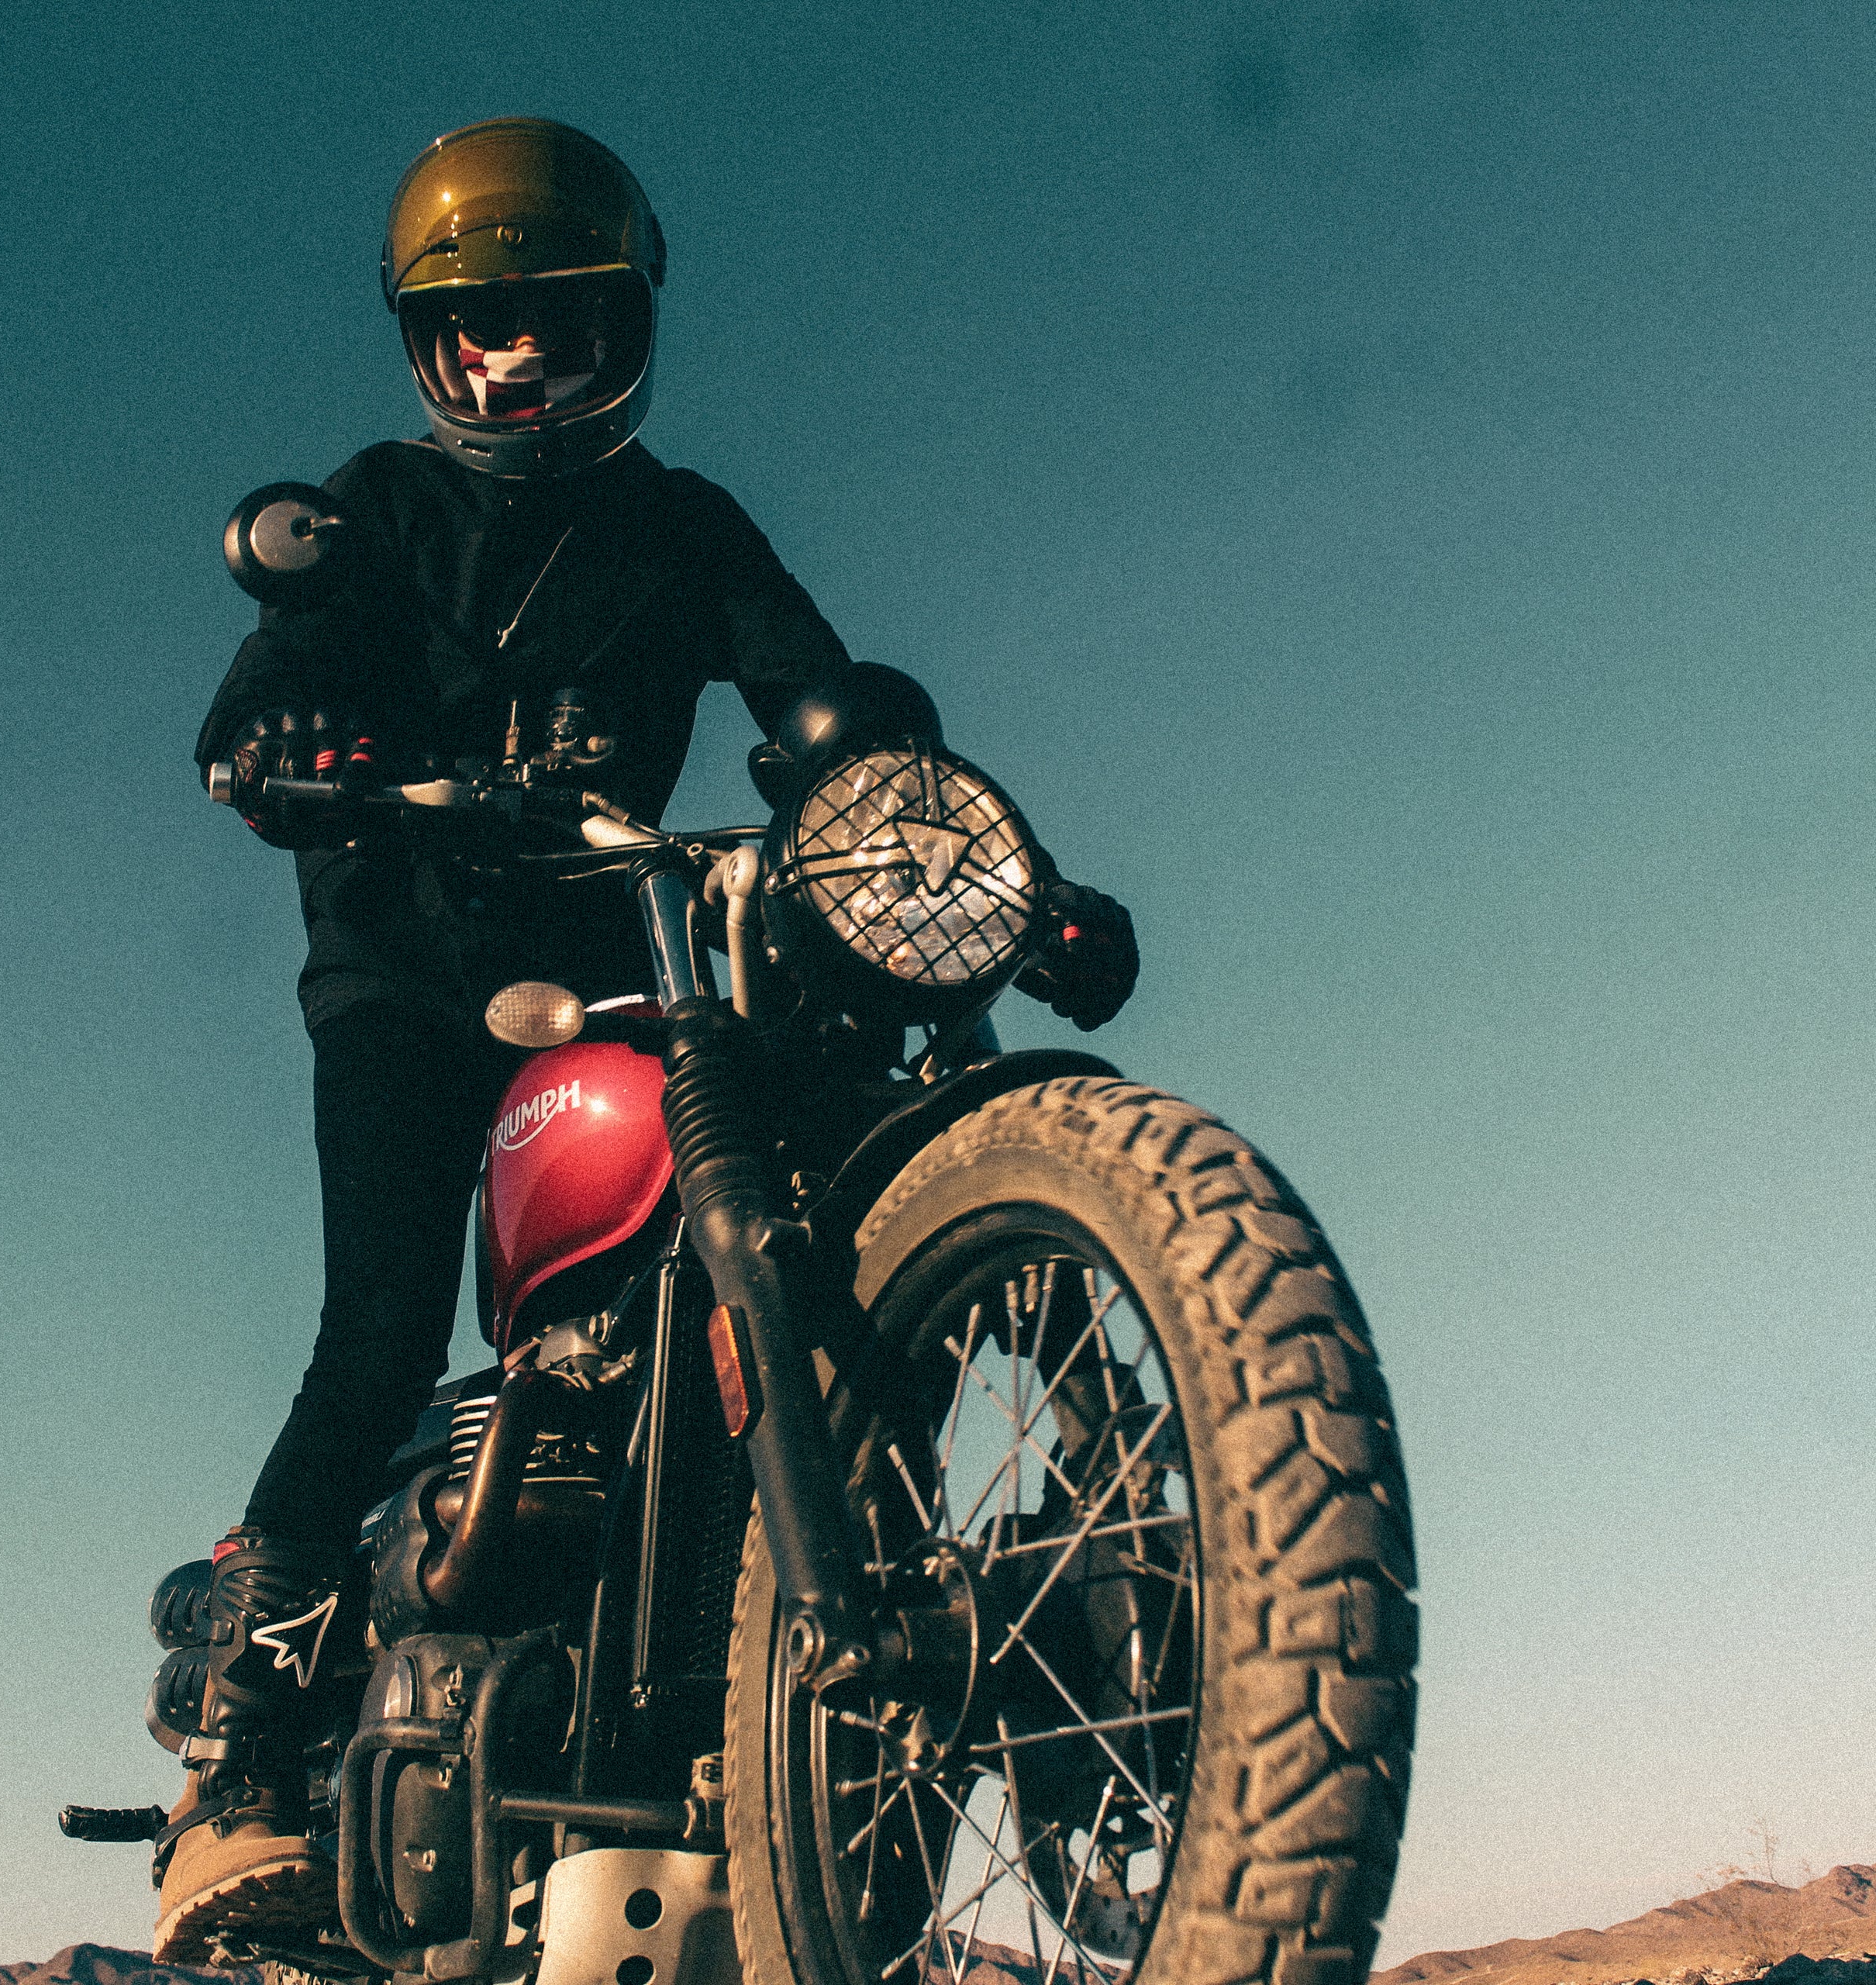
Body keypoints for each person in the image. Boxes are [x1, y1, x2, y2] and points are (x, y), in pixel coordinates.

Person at [157, 116, 1140, 1959]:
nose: (518, 348)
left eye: (557, 314)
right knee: (376, 1333)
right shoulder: (372, 508)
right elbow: (274, 676)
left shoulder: (686, 528)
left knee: (819, 1156)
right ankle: (247, 1764)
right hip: (408, 965)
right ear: (434, 343)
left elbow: (840, 727)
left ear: (621, 329)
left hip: (640, 955)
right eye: (482, 321)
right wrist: (288, 750)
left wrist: (1009, 876)